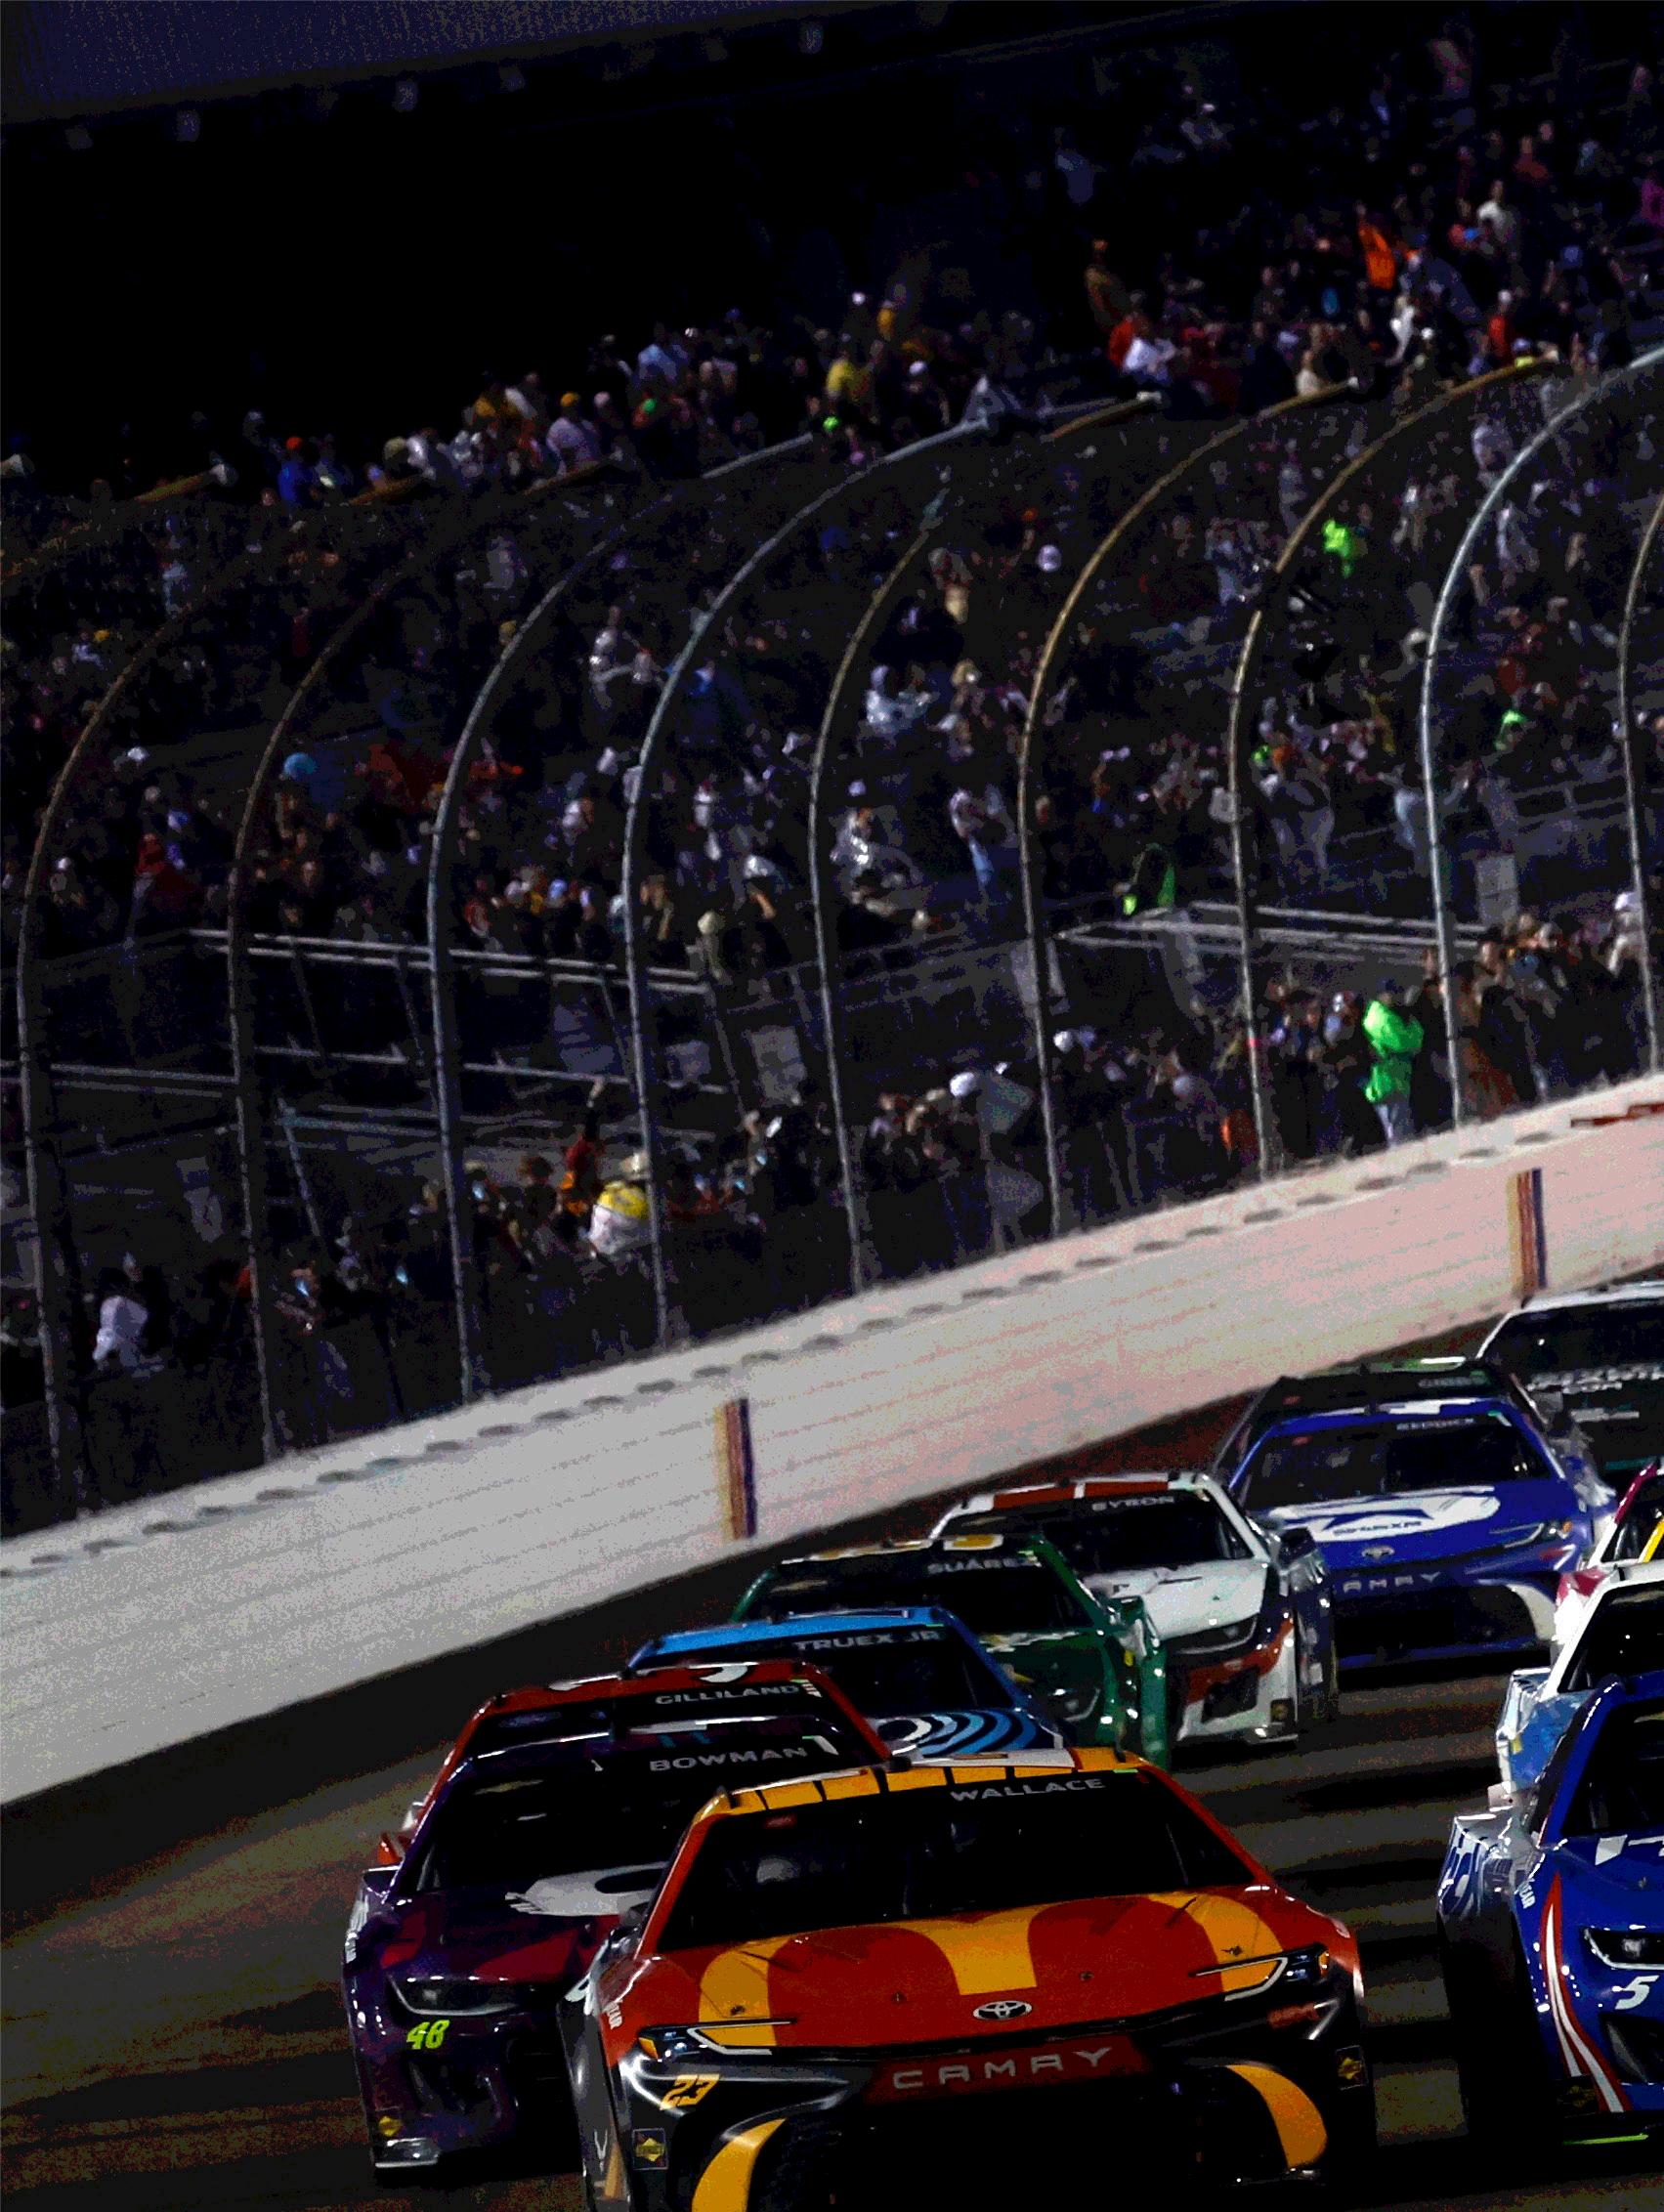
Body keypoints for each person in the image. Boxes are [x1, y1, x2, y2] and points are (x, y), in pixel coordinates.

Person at [1362, 978, 1424, 1145]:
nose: (1396, 997)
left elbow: (1418, 1039)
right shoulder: (1379, 1017)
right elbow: (1403, 1042)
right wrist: (1410, 1027)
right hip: (1386, 1084)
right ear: (1381, 995)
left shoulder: (1392, 1014)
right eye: (1391, 994)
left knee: (1405, 1133)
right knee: (1398, 1138)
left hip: (1398, 1080)